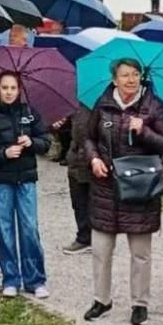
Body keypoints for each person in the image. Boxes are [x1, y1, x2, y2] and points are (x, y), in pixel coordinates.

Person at [83, 57, 163, 325]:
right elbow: (88, 137)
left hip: (139, 186)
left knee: (140, 252)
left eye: (135, 74)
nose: (131, 80)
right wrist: (94, 159)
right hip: (105, 187)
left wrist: (144, 130)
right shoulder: (101, 104)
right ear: (114, 79)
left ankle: (139, 303)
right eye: (125, 75)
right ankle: (101, 299)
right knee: (101, 250)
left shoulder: (153, 105)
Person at [0, 71, 51, 297]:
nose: (9, 92)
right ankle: (10, 279)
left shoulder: (30, 113)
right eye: (5, 88)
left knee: (29, 228)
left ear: (19, 90)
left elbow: (46, 142)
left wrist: (32, 142)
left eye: (13, 88)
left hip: (26, 179)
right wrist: (3, 153)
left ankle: (35, 280)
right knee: (5, 230)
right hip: (0, 181)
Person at [58, 105, 94, 254]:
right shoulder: (75, 100)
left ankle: (89, 238)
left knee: (93, 200)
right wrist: (59, 122)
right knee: (79, 200)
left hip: (94, 156)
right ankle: (86, 236)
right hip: (76, 157)